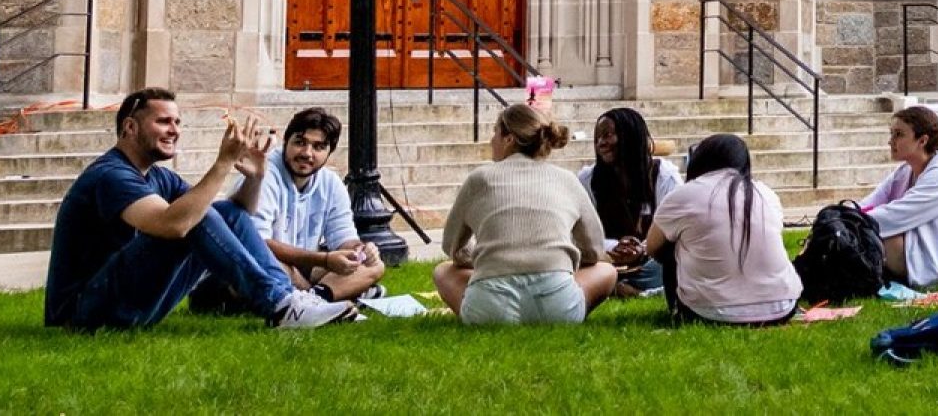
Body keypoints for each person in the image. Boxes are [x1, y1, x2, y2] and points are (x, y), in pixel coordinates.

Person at [44, 88, 358, 331]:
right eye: (163, 121)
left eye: (177, 122)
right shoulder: (112, 175)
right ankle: (281, 304)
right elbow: (174, 225)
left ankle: (288, 301)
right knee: (194, 212)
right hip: (84, 312)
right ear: (130, 127)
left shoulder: (158, 176)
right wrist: (222, 163)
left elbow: (236, 214)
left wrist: (256, 177)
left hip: (127, 304)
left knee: (220, 210)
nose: (174, 130)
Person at [187, 108, 386, 316]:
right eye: (300, 142)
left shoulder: (331, 183)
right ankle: (328, 297)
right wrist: (324, 259)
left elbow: (344, 239)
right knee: (280, 267)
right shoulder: (266, 171)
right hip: (248, 270)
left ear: (330, 152)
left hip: (300, 269)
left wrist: (361, 251)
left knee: (374, 266)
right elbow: (257, 244)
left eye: (318, 147)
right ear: (286, 142)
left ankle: (316, 299)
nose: (307, 153)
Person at [433, 104, 617, 325]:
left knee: (443, 271)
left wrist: (489, 260)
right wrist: (559, 263)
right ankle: (563, 310)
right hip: (557, 305)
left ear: (509, 139)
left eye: (495, 132)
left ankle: (478, 310)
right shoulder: (566, 179)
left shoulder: (479, 179)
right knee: (606, 271)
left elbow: (451, 247)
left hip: (490, 308)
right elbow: (594, 251)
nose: (492, 141)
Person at [643, 134, 802, 325]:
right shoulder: (765, 193)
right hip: (782, 306)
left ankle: (678, 306)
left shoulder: (683, 195)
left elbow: (652, 247)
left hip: (707, 312)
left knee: (670, 243)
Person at [857, 106, 938, 289]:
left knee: (884, 234)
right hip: (920, 256)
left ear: (922, 141)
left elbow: (894, 216)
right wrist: (841, 216)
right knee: (856, 232)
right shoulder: (905, 171)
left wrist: (849, 222)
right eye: (891, 134)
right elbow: (871, 203)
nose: (891, 141)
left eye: (898, 134)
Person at [578, 107, 682, 297]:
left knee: (672, 262)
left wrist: (642, 248)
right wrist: (614, 247)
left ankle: (619, 289)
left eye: (608, 135)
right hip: (606, 263)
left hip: (650, 262)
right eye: (598, 137)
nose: (601, 143)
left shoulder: (664, 176)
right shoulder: (588, 179)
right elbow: (582, 233)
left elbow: (674, 229)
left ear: (631, 137)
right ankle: (617, 286)